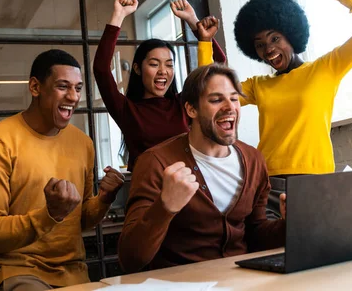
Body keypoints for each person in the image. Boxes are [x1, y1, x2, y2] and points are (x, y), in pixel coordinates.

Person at [232, 0, 352, 216]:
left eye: (275, 39)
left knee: (316, 251)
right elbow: (214, 93)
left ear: (291, 35)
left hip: (314, 181)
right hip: (268, 184)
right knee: (270, 251)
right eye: (260, 45)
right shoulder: (258, 85)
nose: (268, 49)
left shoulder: (325, 69)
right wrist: (204, 42)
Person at [0, 49, 125, 291]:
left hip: (74, 272)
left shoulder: (83, 143)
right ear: (35, 87)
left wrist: (104, 198)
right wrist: (49, 214)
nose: (73, 97)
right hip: (18, 271)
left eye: (78, 88)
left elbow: (80, 220)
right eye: (63, 86)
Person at [118, 64, 286, 273]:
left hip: (242, 282)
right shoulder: (155, 162)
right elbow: (130, 258)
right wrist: (165, 207)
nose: (229, 107)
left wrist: (288, 224)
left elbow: (256, 233)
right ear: (191, 109)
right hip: (181, 285)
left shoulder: (254, 159)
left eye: (234, 98)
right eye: (216, 100)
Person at [93, 0, 226, 172]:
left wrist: (195, 24)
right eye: (154, 64)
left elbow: (218, 67)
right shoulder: (127, 110)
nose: (163, 71)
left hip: (190, 188)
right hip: (149, 194)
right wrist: (118, 15)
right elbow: (101, 69)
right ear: (138, 69)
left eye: (169, 65)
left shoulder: (184, 104)